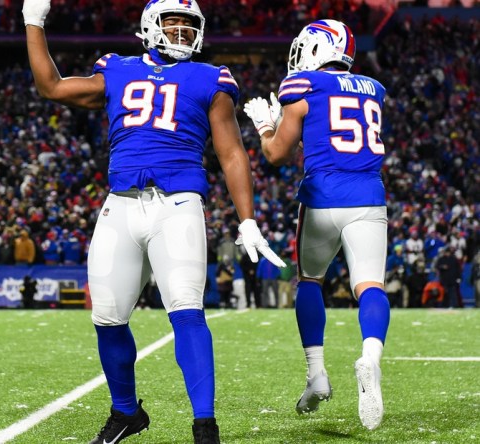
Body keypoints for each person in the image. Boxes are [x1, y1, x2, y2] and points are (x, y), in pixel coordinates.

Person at [23, 0, 285, 441]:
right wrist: (34, 22)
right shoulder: (117, 68)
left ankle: (205, 427)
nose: (182, 31)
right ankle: (126, 412)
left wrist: (248, 220)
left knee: (186, 311)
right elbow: (50, 86)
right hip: (120, 204)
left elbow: (231, 152)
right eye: (173, 22)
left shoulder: (210, 78)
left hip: (177, 205)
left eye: (189, 24)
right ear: (150, 26)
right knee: (107, 317)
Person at [243, 20, 390, 430]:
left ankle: (317, 374)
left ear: (314, 49)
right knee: (370, 287)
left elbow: (275, 154)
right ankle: (371, 359)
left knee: (310, 281)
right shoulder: (374, 89)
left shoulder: (302, 87)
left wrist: (266, 126)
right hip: (368, 197)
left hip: (322, 197)